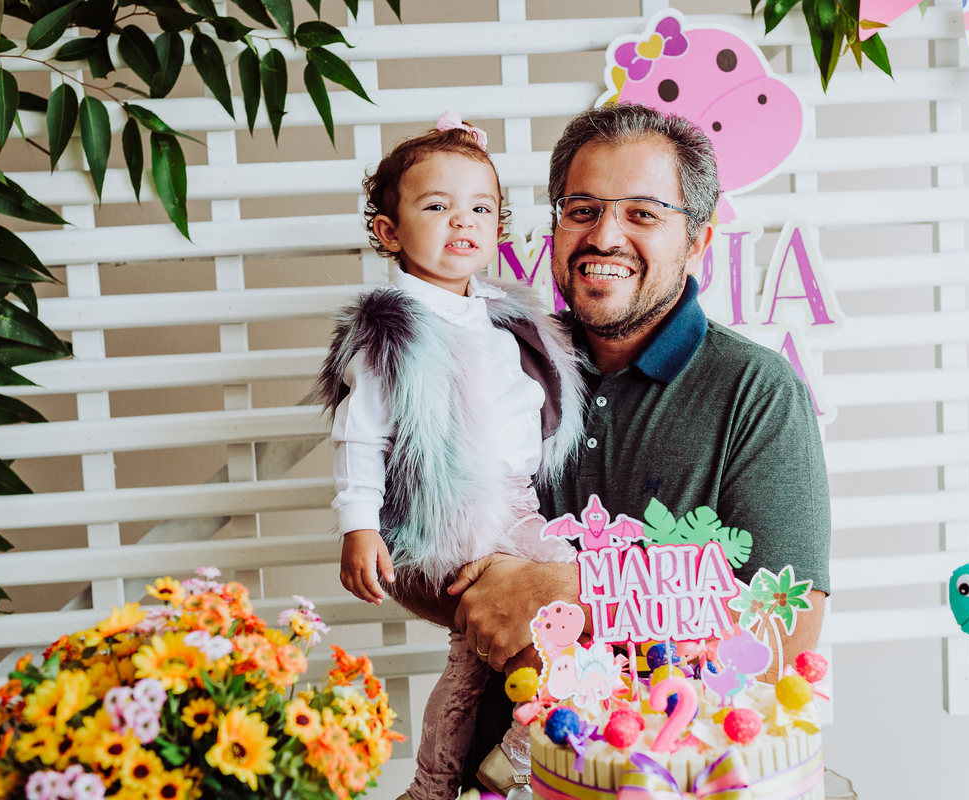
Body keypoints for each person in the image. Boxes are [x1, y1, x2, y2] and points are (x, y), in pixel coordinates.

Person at [446, 103, 832, 784]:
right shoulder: (500, 363)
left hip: (681, 777)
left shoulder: (756, 392)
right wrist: (491, 593)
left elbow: (783, 632)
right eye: (582, 210)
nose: (605, 236)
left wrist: (573, 591)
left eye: (643, 214)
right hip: (504, 774)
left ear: (698, 241)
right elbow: (406, 544)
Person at [317, 113, 586, 800]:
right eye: (437, 206)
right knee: (566, 617)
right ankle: (527, 750)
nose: (462, 220)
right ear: (389, 232)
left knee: (471, 663)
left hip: (516, 499)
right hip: (452, 512)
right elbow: (360, 435)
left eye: (481, 208)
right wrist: (359, 525)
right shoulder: (394, 332)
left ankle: (435, 784)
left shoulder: (500, 316)